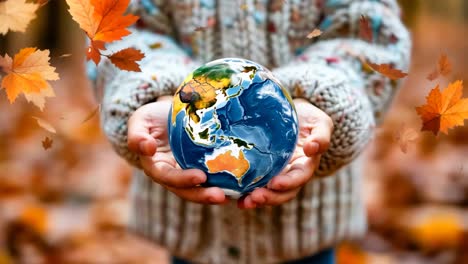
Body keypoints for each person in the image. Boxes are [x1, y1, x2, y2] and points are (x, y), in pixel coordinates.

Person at [91, 0, 411, 263]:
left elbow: (369, 33)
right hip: (190, 228)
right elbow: (120, 27)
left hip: (308, 229)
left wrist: (322, 96)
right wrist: (161, 92)